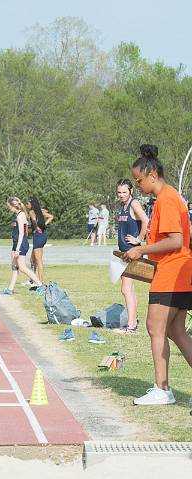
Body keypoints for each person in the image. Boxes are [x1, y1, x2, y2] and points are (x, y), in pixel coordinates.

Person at [122, 144, 192, 405]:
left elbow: (176, 240)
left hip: (172, 273)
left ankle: (162, 389)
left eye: (138, 180)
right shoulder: (169, 197)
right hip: (178, 272)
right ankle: (162, 388)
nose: (137, 185)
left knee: (155, 328)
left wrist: (142, 249)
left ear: (152, 175)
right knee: (175, 330)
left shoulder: (167, 199)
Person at [113, 178, 148, 335]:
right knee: (130, 289)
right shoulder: (123, 205)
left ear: (131, 191)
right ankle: (133, 322)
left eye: (124, 192)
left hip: (131, 251)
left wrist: (139, 240)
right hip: (123, 252)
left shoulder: (134, 204)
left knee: (125, 289)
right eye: (119, 192)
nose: (121, 195)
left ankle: (131, 326)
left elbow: (146, 221)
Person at [1, 197, 42, 294]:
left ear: (13, 206)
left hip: (21, 245)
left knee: (22, 267)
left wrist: (17, 249)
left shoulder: (21, 215)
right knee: (14, 267)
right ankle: (10, 289)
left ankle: (40, 284)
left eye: (9, 207)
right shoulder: (18, 215)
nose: (9, 209)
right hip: (16, 243)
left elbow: (22, 233)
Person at [26, 197, 54, 284]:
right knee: (32, 259)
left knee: (38, 260)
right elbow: (51, 216)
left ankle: (40, 282)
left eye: (28, 203)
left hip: (38, 236)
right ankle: (32, 280)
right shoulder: (39, 211)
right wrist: (44, 224)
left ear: (32, 204)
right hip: (42, 236)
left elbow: (33, 219)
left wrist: (37, 227)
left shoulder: (32, 212)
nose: (27, 205)